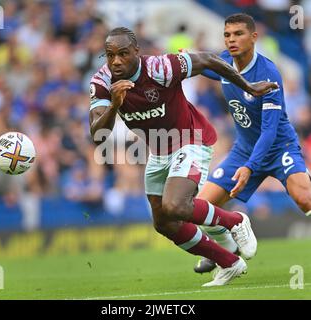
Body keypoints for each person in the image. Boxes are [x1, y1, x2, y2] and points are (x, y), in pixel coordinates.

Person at [89, 27, 278, 286]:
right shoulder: (101, 82)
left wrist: (249, 86)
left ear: (136, 52)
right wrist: (114, 105)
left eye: (123, 54)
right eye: (110, 55)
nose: (116, 61)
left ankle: (235, 221)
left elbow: (208, 60)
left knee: (176, 205)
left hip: (191, 139)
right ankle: (230, 262)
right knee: (164, 223)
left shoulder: (160, 67)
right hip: (159, 150)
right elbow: (98, 130)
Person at [193, 13, 311, 274]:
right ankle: (223, 251)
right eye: (227, 35)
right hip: (244, 149)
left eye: (238, 34)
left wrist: (250, 167)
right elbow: (210, 69)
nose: (231, 40)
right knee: (199, 207)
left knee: (305, 199)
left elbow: (269, 131)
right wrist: (185, 61)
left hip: (279, 147)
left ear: (254, 37)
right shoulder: (225, 63)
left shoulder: (267, 73)